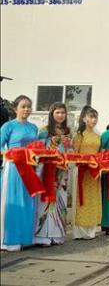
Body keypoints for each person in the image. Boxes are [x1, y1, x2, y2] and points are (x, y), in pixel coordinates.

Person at [0, 95, 39, 251]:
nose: (26, 109)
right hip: (13, 169)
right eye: (23, 106)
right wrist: (9, 154)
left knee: (27, 203)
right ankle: (9, 240)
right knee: (13, 202)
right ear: (15, 109)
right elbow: (1, 147)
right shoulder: (8, 126)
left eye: (29, 106)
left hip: (30, 168)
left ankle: (25, 238)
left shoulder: (33, 127)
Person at [34, 102, 72, 245]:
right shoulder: (44, 130)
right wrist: (52, 142)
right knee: (45, 200)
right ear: (52, 114)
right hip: (48, 170)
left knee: (60, 200)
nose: (61, 115)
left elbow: (71, 150)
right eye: (57, 112)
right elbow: (38, 149)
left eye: (63, 112)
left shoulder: (68, 131)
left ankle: (57, 235)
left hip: (63, 171)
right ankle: (42, 236)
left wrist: (68, 145)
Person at [72, 106, 102, 240]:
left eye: (95, 117)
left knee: (93, 199)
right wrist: (84, 162)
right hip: (82, 171)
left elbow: (99, 153)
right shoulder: (79, 135)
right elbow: (74, 154)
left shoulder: (97, 135)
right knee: (81, 199)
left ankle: (91, 230)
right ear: (84, 118)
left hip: (94, 172)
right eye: (91, 117)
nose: (94, 120)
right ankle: (79, 231)